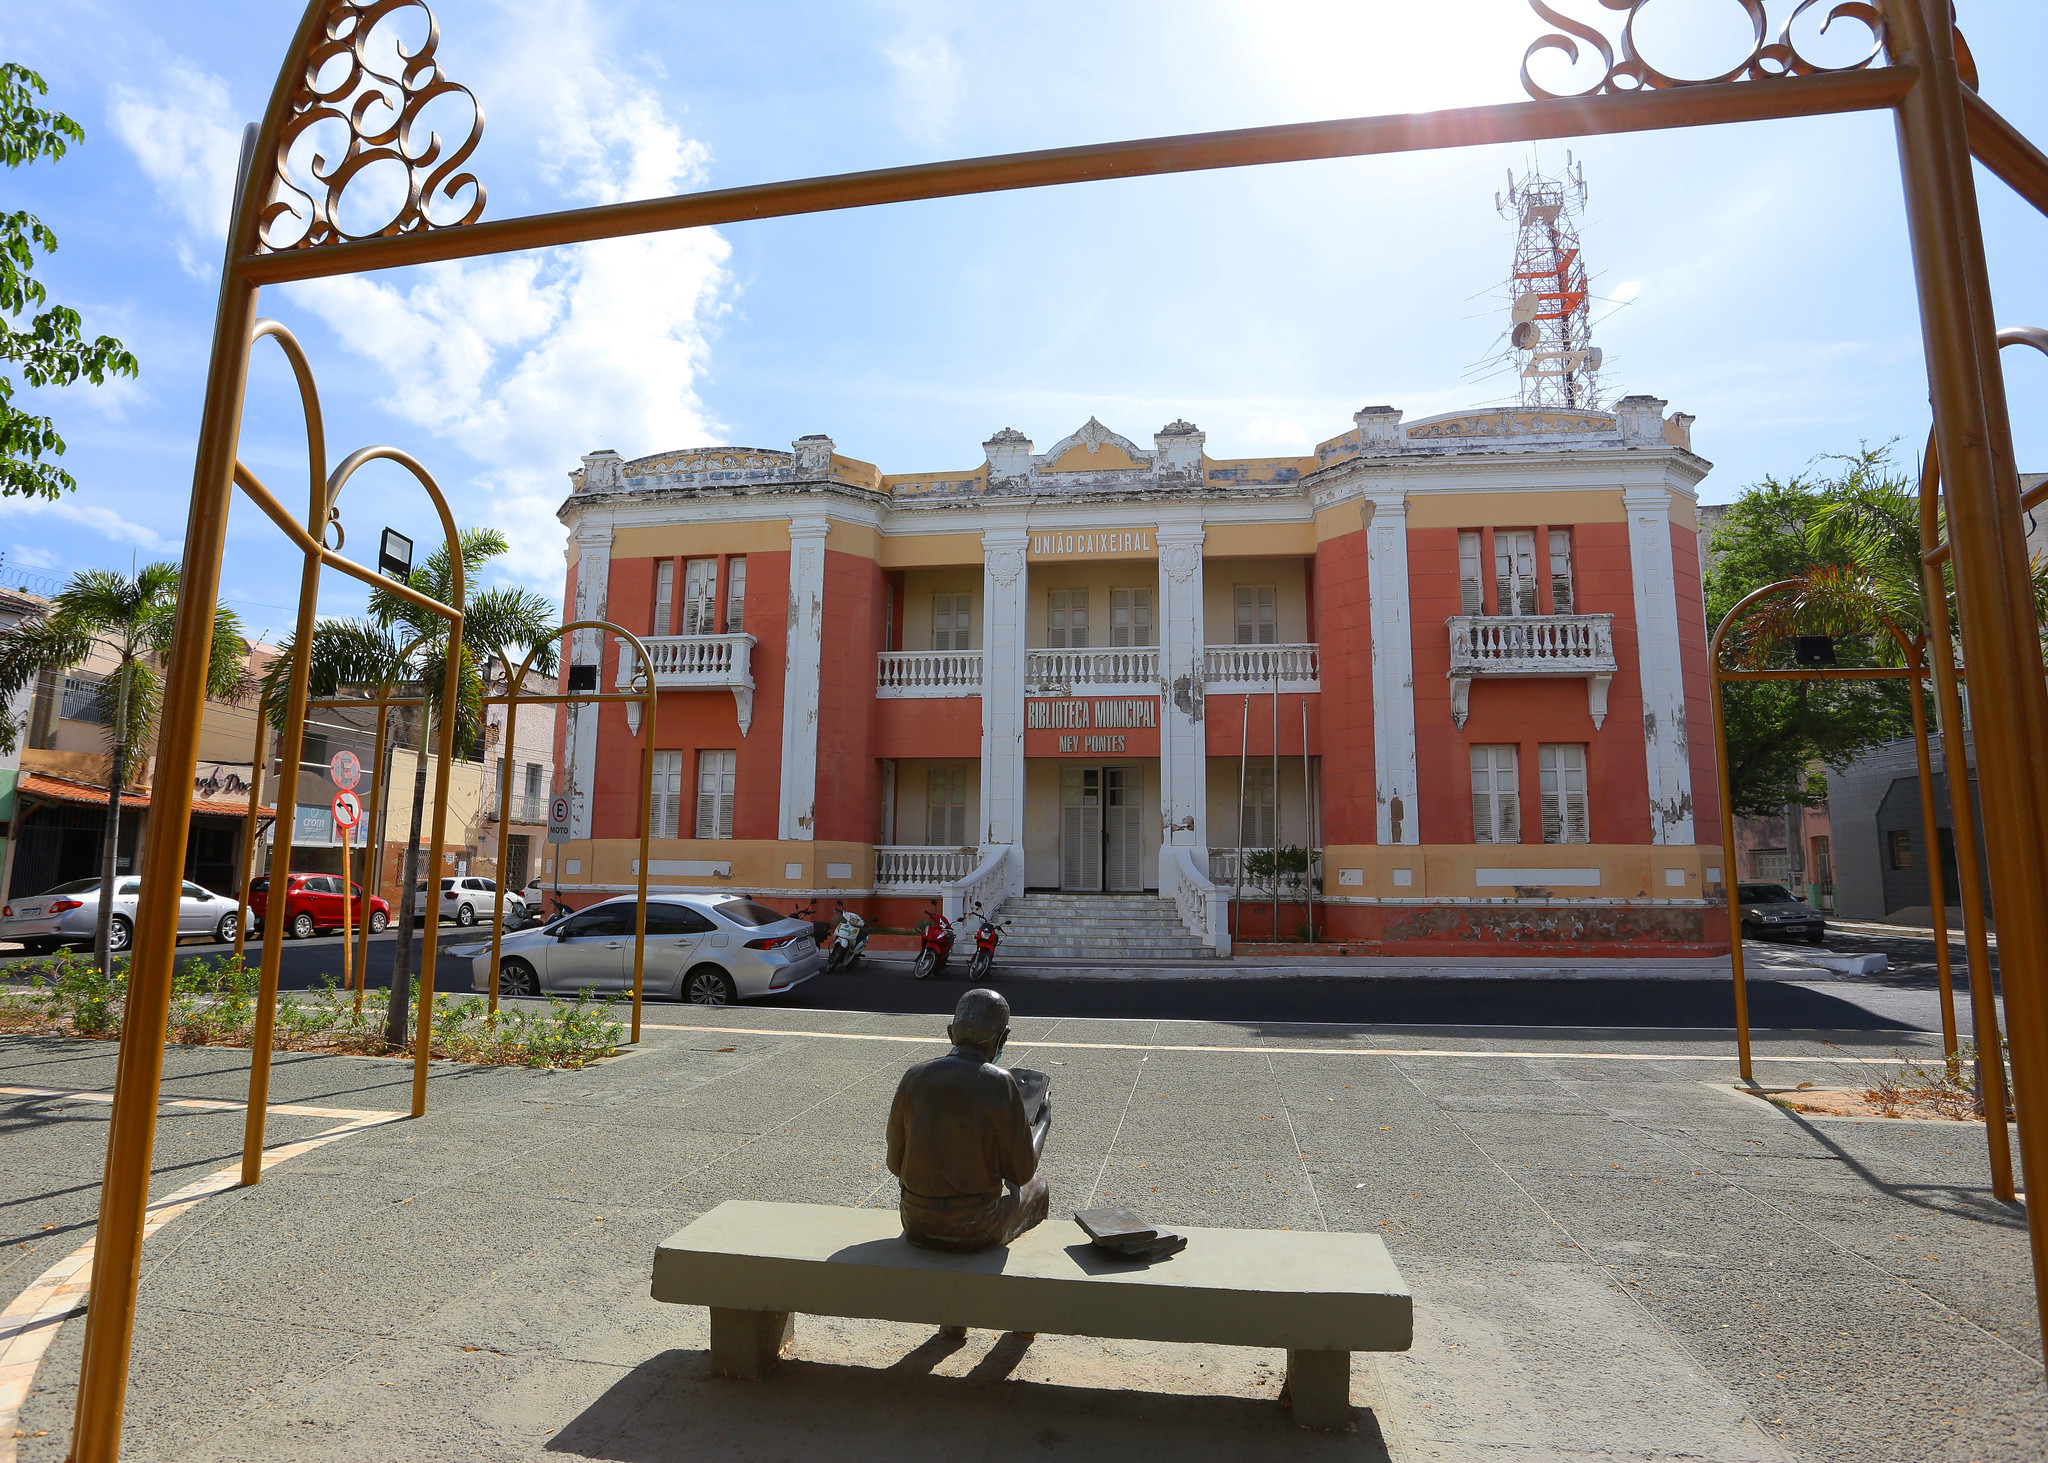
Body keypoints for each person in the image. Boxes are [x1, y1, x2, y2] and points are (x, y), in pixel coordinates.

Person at [886, 987, 1051, 1252]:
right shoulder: (999, 1082)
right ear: (1003, 1038)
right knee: (1039, 1187)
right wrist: (1043, 1121)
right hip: (976, 1226)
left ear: (951, 1032)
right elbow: (1021, 1174)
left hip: (915, 1221)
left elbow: (895, 1164)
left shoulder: (914, 1076)